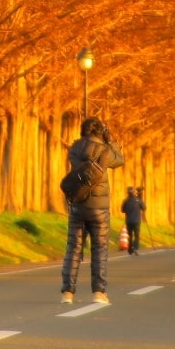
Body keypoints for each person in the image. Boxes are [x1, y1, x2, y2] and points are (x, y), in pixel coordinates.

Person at [60, 116, 125, 304]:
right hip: (99, 208)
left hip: (78, 203)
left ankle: (68, 293)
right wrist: (110, 140)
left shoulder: (75, 147)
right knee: (99, 249)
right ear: (100, 131)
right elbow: (120, 160)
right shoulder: (105, 150)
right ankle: (98, 292)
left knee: (73, 248)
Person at [120, 187, 146, 255]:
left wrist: (128, 210)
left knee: (130, 235)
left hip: (129, 221)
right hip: (136, 220)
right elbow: (144, 207)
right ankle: (135, 248)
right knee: (136, 235)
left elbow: (122, 210)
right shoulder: (138, 199)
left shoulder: (125, 200)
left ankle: (130, 249)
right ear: (134, 192)